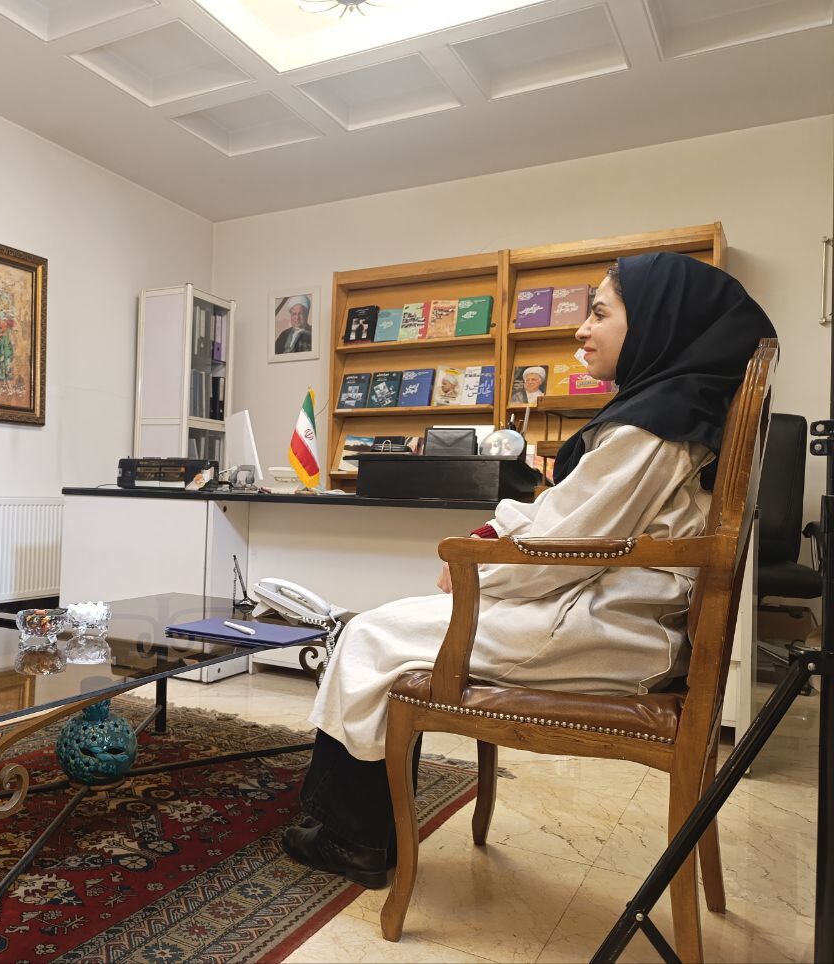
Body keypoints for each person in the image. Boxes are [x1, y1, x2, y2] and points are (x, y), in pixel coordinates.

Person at [282, 252, 777, 888]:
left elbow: (563, 546)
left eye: (600, 314)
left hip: (599, 627)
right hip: (611, 615)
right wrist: (494, 534)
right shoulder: (673, 411)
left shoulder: (653, 426)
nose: (581, 329)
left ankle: (351, 839)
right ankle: (356, 826)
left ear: (656, 322)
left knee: (368, 634)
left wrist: (476, 570)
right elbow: (570, 515)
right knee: (385, 629)